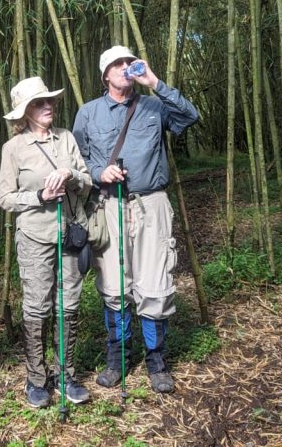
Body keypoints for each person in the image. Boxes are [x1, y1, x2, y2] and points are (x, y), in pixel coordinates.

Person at [72, 45, 199, 394]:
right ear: (105, 75)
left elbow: (190, 117)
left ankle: (157, 360)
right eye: (118, 64)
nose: (126, 67)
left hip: (151, 203)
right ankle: (119, 358)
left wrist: (154, 82)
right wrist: (100, 171)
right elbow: (78, 162)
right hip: (109, 206)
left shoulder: (154, 106)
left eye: (129, 61)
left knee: (155, 283)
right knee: (114, 287)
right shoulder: (88, 113)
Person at [0, 77, 93, 408]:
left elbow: (87, 181)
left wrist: (70, 175)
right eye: (39, 103)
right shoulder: (13, 149)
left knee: (68, 306)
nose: (48, 106)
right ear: (25, 113)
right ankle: (36, 380)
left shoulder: (66, 139)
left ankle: (65, 375)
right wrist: (40, 195)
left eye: (48, 101)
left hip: (70, 233)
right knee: (37, 307)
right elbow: (6, 199)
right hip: (35, 237)